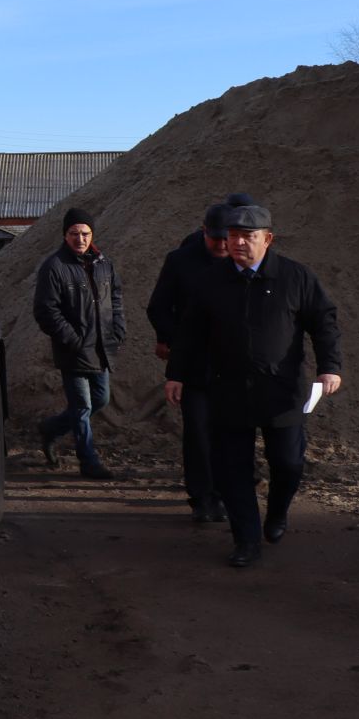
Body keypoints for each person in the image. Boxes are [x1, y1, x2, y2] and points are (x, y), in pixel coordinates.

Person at [164, 202, 342, 568]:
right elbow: (190, 333)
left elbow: (323, 322)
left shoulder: (295, 277)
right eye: (232, 237)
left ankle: (277, 513)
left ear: (268, 239)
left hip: (282, 391)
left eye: (248, 237)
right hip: (228, 390)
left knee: (288, 463)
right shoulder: (211, 282)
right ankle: (246, 540)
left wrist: (330, 368)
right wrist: (176, 374)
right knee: (233, 469)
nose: (238, 244)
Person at [145, 202, 233, 523]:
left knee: (226, 432)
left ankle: (223, 494)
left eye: (228, 239)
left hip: (230, 366)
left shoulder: (241, 262)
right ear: (203, 230)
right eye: (216, 239)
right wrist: (175, 340)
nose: (223, 246)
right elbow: (157, 307)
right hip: (192, 365)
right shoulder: (180, 262)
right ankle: (200, 497)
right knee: (197, 431)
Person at [32, 207, 125, 479]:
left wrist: (118, 329)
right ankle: (89, 461)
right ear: (65, 235)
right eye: (74, 233)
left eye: (85, 233)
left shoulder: (103, 264)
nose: (80, 239)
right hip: (72, 351)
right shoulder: (55, 267)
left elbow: (115, 299)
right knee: (82, 406)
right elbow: (45, 310)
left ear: (92, 234)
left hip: (101, 349)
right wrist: (71, 339)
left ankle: (51, 428)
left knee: (101, 399)